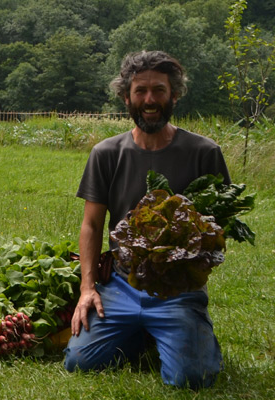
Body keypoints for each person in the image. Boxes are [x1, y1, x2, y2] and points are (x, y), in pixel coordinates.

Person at [63, 50, 230, 389]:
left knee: (192, 379)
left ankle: (185, 334)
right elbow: (92, 226)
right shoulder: (107, 153)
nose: (149, 99)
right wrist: (87, 289)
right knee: (78, 362)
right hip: (121, 284)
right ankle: (143, 333)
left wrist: (186, 259)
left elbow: (218, 228)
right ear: (126, 96)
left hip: (178, 289)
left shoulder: (204, 152)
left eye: (159, 90)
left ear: (175, 95)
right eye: (140, 91)